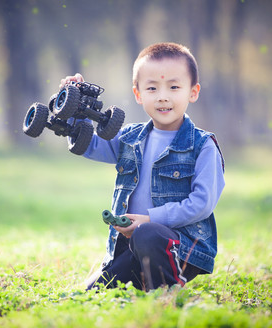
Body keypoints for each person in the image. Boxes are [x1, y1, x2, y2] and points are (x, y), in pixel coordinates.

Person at [60, 42, 225, 291]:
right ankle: (142, 282)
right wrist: (73, 106)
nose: (162, 96)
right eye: (152, 88)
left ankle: (166, 291)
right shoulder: (130, 137)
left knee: (147, 233)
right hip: (131, 247)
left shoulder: (202, 146)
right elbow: (89, 146)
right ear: (138, 94)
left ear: (193, 91)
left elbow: (201, 204)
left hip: (179, 249)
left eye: (174, 87)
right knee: (89, 294)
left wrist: (150, 219)